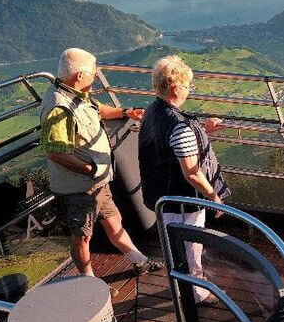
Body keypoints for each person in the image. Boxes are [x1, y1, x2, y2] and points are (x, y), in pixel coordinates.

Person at [40, 48, 158, 277]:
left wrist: (126, 112)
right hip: (80, 188)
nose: (95, 77)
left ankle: (140, 261)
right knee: (83, 235)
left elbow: (98, 109)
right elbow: (55, 153)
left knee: (114, 223)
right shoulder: (59, 107)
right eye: (93, 74)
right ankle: (87, 278)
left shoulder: (75, 94)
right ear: (79, 76)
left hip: (97, 183)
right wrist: (90, 169)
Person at [139, 53, 230, 304]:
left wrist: (201, 128)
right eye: (188, 84)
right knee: (191, 248)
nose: (189, 89)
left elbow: (173, 140)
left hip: (160, 197)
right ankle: (195, 293)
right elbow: (191, 172)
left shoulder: (152, 112)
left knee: (174, 248)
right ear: (175, 86)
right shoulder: (179, 125)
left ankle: (181, 285)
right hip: (182, 202)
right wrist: (213, 196)